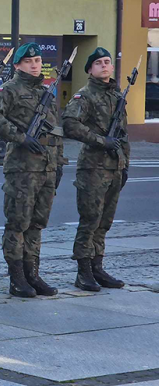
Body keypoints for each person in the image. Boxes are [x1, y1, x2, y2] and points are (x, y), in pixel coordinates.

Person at [0, 43, 62, 297]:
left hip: (46, 167)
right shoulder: (9, 89)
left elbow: (55, 132)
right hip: (22, 168)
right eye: (28, 61)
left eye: (38, 60)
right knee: (18, 223)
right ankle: (16, 277)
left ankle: (33, 273)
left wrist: (59, 163)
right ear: (17, 65)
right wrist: (19, 137)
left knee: (37, 224)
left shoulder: (45, 93)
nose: (34, 64)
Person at [63, 47, 130, 291]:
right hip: (93, 168)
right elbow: (69, 124)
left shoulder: (116, 95)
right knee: (90, 221)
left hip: (114, 168)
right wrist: (101, 141)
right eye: (98, 63)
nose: (104, 65)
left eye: (107, 62)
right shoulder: (85, 95)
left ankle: (97, 267)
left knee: (104, 222)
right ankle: (83, 272)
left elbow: (123, 135)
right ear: (90, 69)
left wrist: (125, 165)